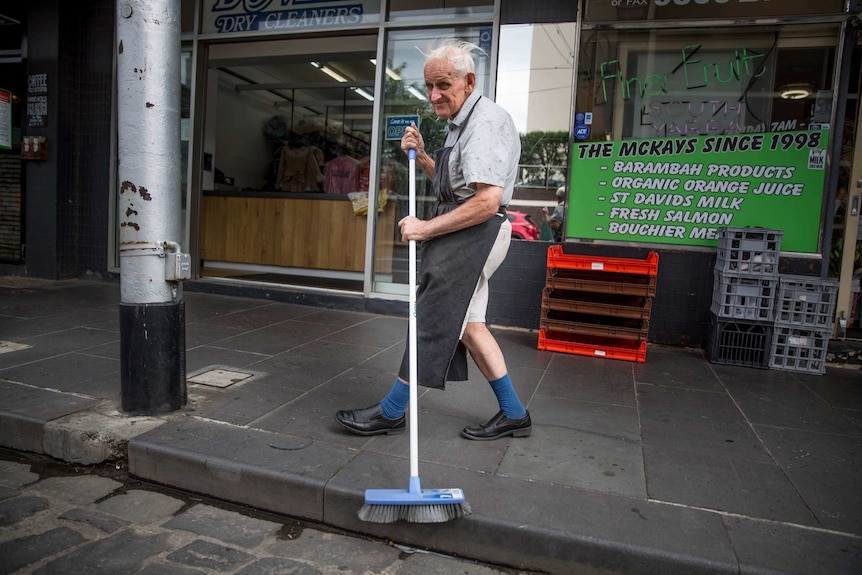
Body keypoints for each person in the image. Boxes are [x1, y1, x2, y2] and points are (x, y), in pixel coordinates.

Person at [335, 39, 531, 441]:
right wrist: (424, 157)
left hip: (478, 232)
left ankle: (391, 411)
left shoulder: (486, 122)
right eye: (429, 86)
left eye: (443, 84)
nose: (434, 95)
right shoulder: (462, 122)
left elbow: (487, 200)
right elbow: (455, 188)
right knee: (470, 325)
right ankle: (514, 413)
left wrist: (424, 228)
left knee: (430, 315)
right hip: (470, 231)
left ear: (468, 81)